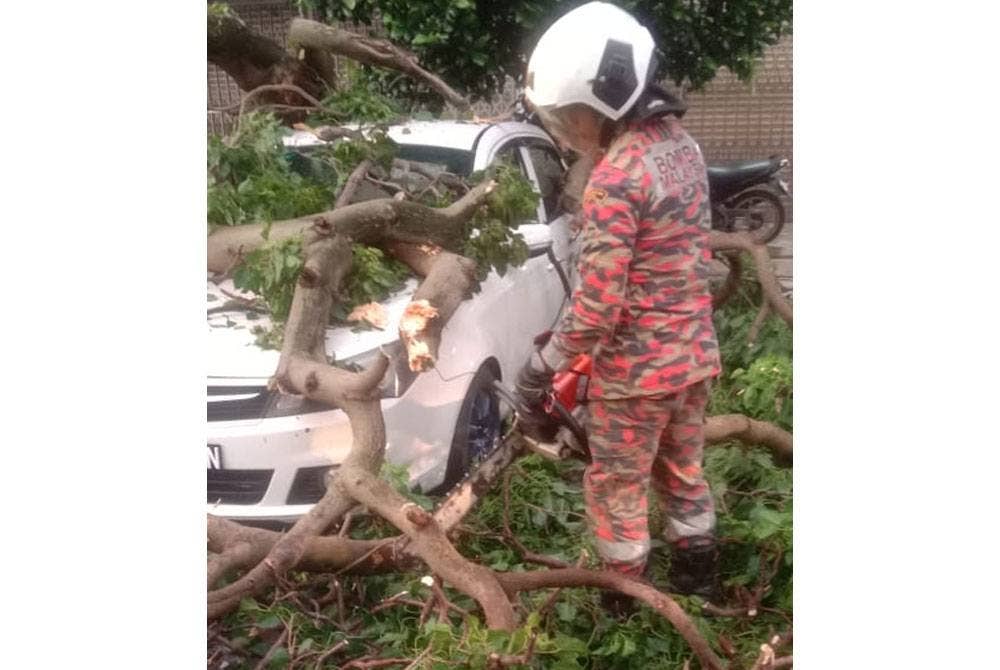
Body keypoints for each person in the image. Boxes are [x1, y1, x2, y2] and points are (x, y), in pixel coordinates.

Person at [513, 1, 723, 614]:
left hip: (635, 376)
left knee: (616, 485)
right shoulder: (682, 147)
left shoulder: (616, 176)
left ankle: (625, 597)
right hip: (693, 356)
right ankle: (699, 571)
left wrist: (542, 367)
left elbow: (598, 307)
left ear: (601, 98)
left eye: (568, 114)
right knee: (683, 467)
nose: (566, 127)